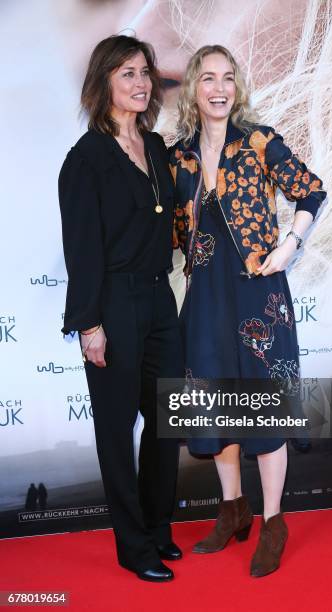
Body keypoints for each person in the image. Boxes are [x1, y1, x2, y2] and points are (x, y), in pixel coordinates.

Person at [170, 45, 326, 577]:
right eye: (209, 78)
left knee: (263, 411)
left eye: (228, 79)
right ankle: (233, 508)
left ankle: (273, 521)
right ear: (194, 87)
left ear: (237, 88)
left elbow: (312, 193)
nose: (219, 88)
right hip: (206, 300)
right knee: (218, 406)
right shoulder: (180, 158)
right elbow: (173, 234)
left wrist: (289, 246)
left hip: (258, 297)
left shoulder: (258, 141)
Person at [58, 35, 184, 583]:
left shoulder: (155, 147)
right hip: (111, 302)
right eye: (126, 73)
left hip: (160, 297)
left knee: (164, 420)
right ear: (103, 82)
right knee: (116, 431)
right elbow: (81, 249)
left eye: (144, 72)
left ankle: (159, 530)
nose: (139, 83)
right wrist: (90, 324)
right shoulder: (85, 159)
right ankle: (133, 547)